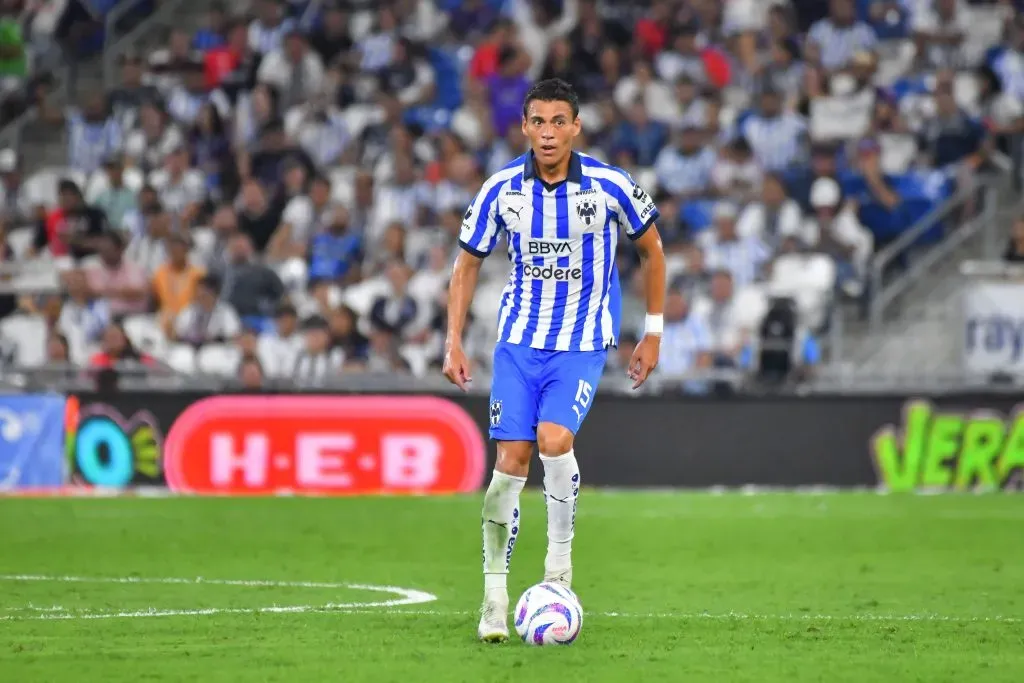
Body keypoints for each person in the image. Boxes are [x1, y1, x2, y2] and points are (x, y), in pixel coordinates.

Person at [441, 79, 666, 643]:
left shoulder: (610, 185)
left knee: (553, 440)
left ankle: (557, 567)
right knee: (508, 466)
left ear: (575, 127)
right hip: (518, 343)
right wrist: (453, 340)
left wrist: (652, 333)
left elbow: (653, 248)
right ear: (524, 126)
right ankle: (494, 597)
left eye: (558, 121)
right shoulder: (500, 191)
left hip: (582, 342)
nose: (547, 133)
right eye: (537, 121)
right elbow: (466, 264)